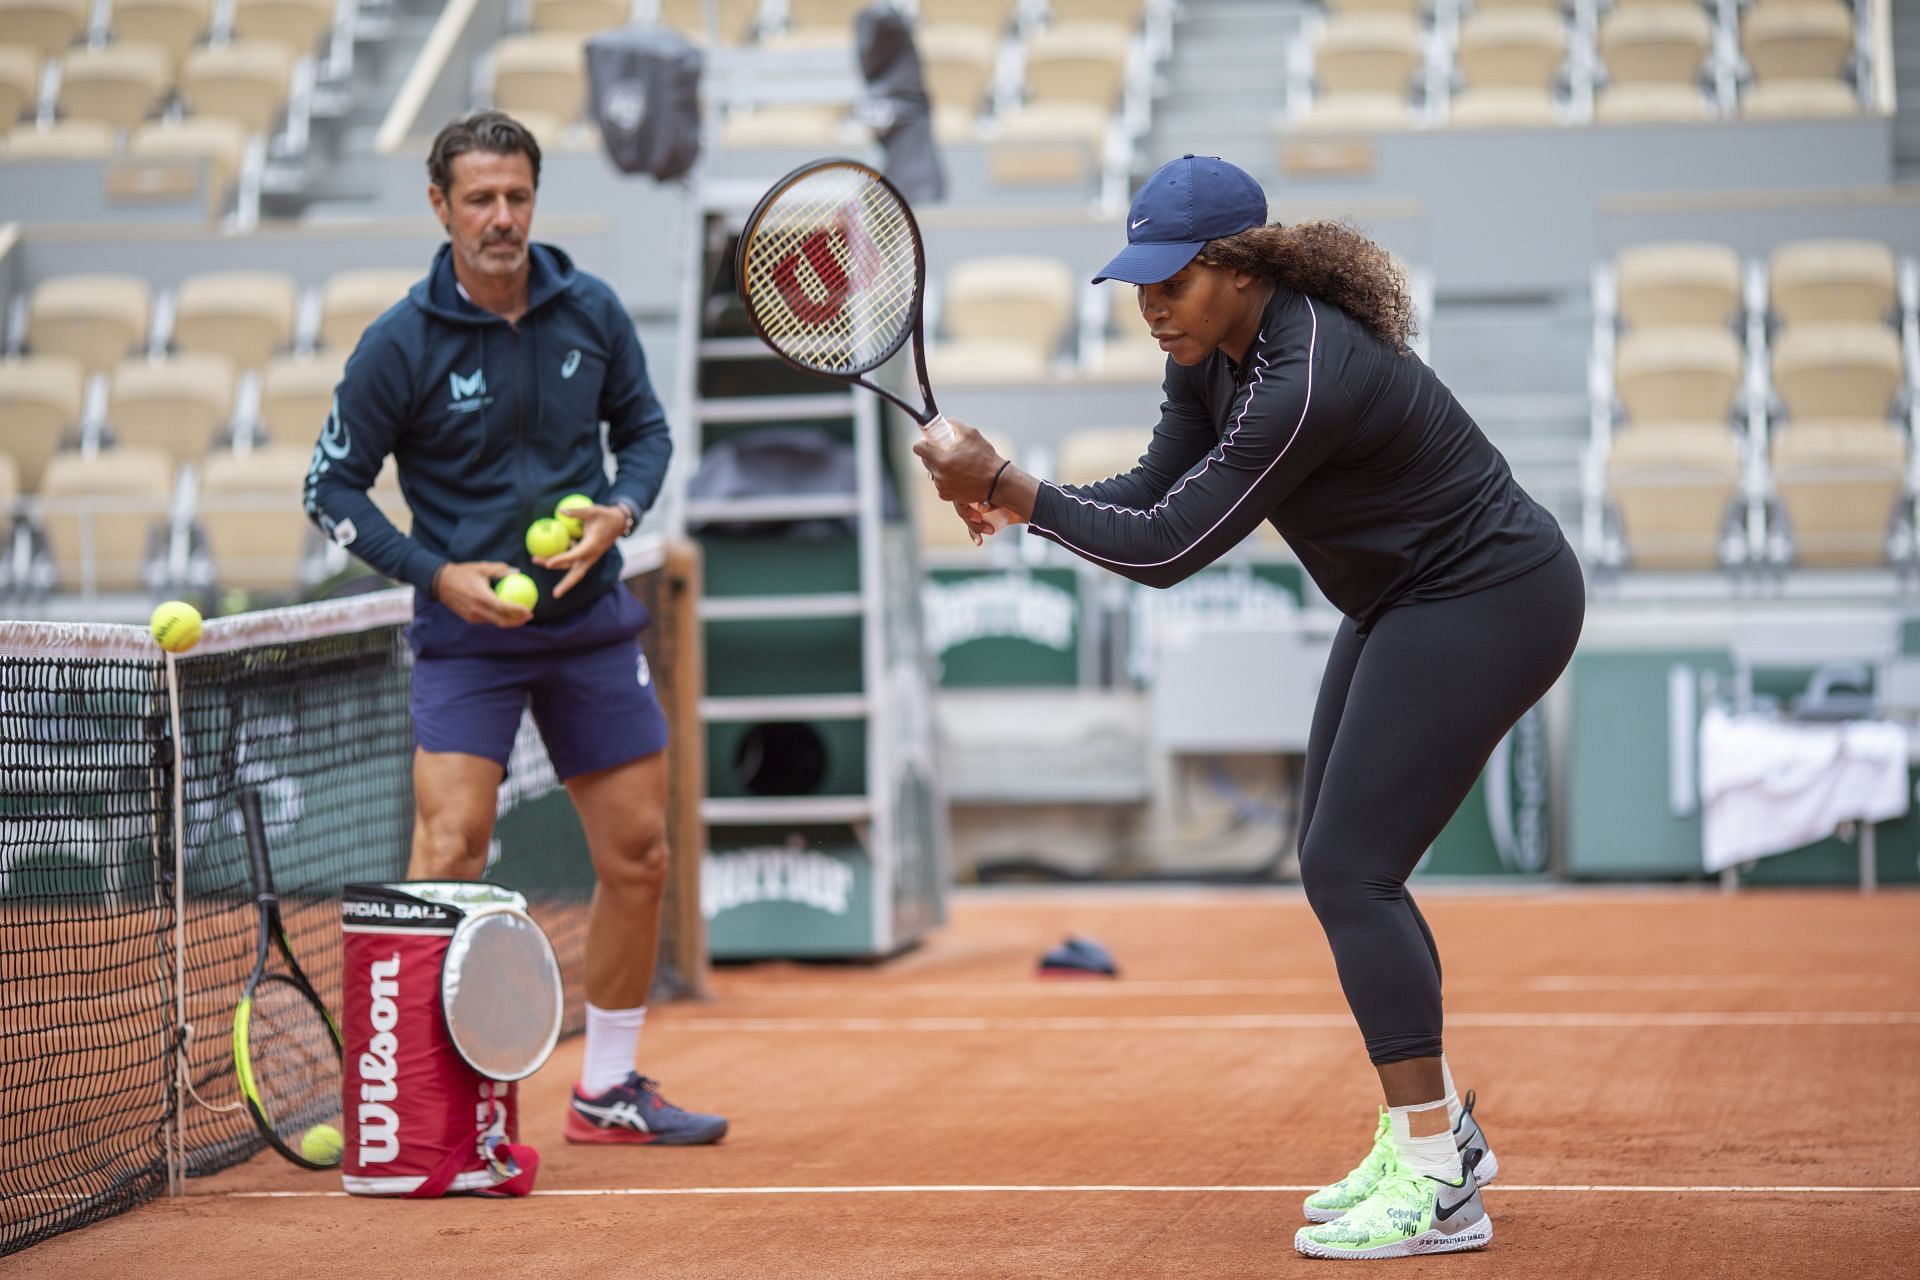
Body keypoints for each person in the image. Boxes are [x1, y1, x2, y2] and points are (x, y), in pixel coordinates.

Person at [916, 154, 1584, 1259]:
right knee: (1339, 859)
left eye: (1171, 282)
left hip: (1492, 596)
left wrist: (1010, 487)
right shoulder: (1210, 355)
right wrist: (1013, 492)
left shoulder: (1305, 370)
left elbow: (1173, 548)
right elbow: (1145, 495)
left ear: (1238, 268)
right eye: (1137, 285)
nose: (1151, 306)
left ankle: (1436, 1177)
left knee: (1348, 868)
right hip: (1400, 600)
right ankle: (1436, 1137)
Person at [303, 110, 726, 1148]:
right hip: (467, 637)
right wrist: (436, 574)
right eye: (480, 198)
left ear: (536, 198)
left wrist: (620, 511)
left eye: (518, 196)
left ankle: (609, 1086)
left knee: (640, 853)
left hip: (588, 626)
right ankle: (422, 1102)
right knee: (449, 846)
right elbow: (331, 487)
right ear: (440, 205)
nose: (502, 217)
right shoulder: (397, 343)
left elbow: (649, 432)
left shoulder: (593, 311)